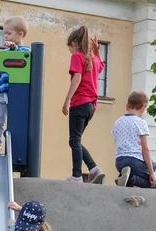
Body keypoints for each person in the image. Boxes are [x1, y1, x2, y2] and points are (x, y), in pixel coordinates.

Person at [63, 26, 105, 184]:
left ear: (74, 43)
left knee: (74, 140)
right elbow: (101, 66)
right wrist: (97, 51)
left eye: (69, 48)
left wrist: (67, 99)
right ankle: (94, 169)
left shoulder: (77, 57)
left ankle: (76, 176)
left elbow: (77, 78)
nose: (70, 52)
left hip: (80, 103)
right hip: (91, 106)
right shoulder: (93, 58)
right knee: (76, 140)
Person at [0, 17, 31, 154]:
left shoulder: (26, 51)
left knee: (15, 122)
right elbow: (2, 72)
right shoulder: (5, 53)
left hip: (17, 93)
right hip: (3, 93)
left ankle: (15, 149)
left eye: (9, 33)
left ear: (20, 34)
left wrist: (15, 49)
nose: (6, 36)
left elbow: (26, 59)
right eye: (5, 34)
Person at [111, 91, 156, 188]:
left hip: (119, 161)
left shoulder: (117, 122)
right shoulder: (141, 123)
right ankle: (131, 179)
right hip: (134, 160)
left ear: (127, 106)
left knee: (154, 165)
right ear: (144, 108)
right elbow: (145, 149)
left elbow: (117, 141)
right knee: (152, 183)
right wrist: (152, 173)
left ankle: (123, 176)